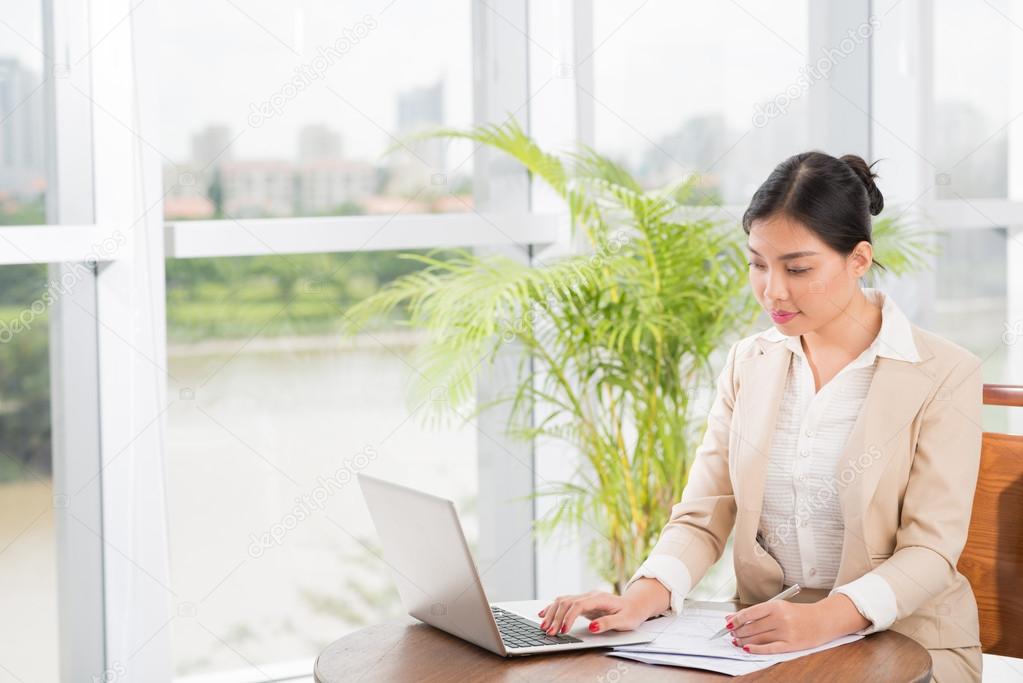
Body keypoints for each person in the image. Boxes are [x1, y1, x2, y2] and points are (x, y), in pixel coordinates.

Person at [536, 151, 983, 682]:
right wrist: (642, 596)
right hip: (768, 647)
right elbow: (705, 514)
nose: (773, 290)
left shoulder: (943, 373)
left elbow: (931, 551)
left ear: (859, 260)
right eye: (757, 263)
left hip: (910, 648)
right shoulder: (749, 363)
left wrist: (823, 620)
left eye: (798, 268)